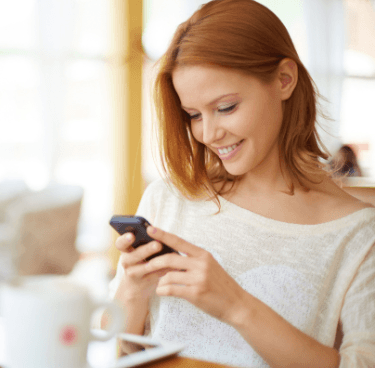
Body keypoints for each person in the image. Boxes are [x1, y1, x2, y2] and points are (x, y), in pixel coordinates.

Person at [105, 1, 375, 367]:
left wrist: (236, 305)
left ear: (284, 80)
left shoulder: (359, 236)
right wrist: (133, 289)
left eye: (227, 107)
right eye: (194, 115)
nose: (209, 133)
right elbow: (106, 350)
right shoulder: (168, 200)